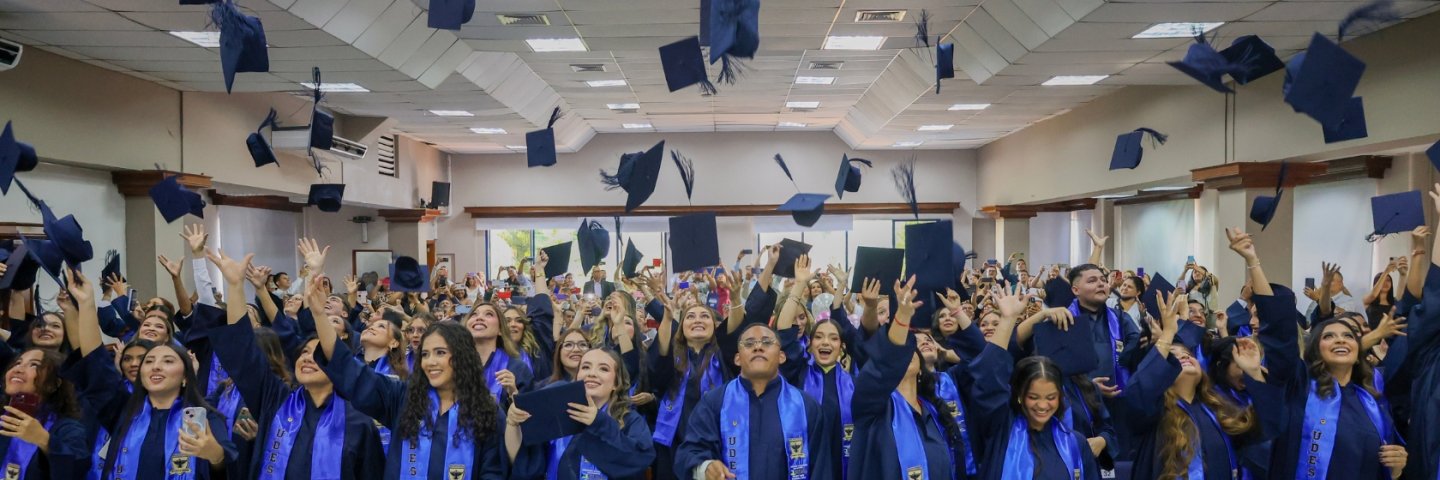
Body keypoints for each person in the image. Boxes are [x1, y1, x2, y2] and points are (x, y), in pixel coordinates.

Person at [300, 238, 507, 479]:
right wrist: (318, 313)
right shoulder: (403, 398)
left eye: (440, 352)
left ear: (462, 357)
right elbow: (349, 370)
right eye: (425, 354)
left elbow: (493, 472)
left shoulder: (486, 409)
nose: (430, 361)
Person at [1229, 225, 1408, 480]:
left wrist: (1398, 465)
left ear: (1359, 348)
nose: (1340, 340)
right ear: (1316, 348)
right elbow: (1281, 333)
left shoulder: (1372, 398)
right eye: (1329, 336)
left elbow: (1387, 460)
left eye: (1348, 336)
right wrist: (1253, 261)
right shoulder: (1300, 385)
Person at [205, 245, 386, 480]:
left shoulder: (359, 422)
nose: (306, 358)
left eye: (317, 354)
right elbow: (243, 352)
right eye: (303, 353)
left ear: (338, 365)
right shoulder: (277, 400)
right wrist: (235, 286)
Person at [69, 265, 239, 480]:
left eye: (168, 360)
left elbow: (225, 464)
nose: (156, 366)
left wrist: (213, 454)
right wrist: (86, 304)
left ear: (186, 376)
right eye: (149, 361)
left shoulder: (203, 416)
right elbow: (95, 362)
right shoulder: (124, 409)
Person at [1119, 283, 1285, 480]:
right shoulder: (1152, 414)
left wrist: (1254, 373)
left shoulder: (1219, 410)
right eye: (1174, 357)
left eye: (1188, 354)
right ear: (1161, 371)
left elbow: (1268, 427)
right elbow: (1137, 394)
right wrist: (1167, 334)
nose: (1185, 356)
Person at [962, 281, 1100, 480]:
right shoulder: (1002, 429)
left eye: (1051, 397)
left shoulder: (1075, 442)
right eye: (1033, 397)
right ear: (1019, 395)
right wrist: (1008, 320)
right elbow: (989, 377)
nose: (1042, 405)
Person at [848, 276, 973, 480]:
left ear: (922, 369)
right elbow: (884, 364)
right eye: (902, 350)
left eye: (911, 351)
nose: (904, 355)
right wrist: (902, 317)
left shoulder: (934, 413)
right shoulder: (872, 408)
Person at [674, 322, 833, 479]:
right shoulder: (715, 402)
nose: (758, 347)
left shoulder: (806, 407)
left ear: (781, 356)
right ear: (737, 359)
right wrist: (705, 467)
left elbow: (821, 469)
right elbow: (688, 454)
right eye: (749, 343)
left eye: (767, 342)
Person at [505, 348, 654, 479]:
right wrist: (513, 424)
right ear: (576, 377)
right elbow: (524, 463)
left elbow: (640, 459)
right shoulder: (556, 412)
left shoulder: (629, 419)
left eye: (603, 369)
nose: (592, 374)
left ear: (616, 383)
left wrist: (599, 423)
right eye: (586, 367)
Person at [779, 257, 865, 479]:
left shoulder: (854, 384)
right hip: (803, 466)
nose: (825, 343)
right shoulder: (797, 372)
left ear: (841, 346)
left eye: (833, 338)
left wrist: (841, 289)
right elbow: (785, 332)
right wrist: (799, 285)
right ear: (810, 343)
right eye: (818, 337)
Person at [0, 347, 89, 478]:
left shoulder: (68, 429)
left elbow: (77, 471)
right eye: (18, 363)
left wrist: (44, 440)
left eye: (34, 365)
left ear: (54, 383)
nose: (18, 369)